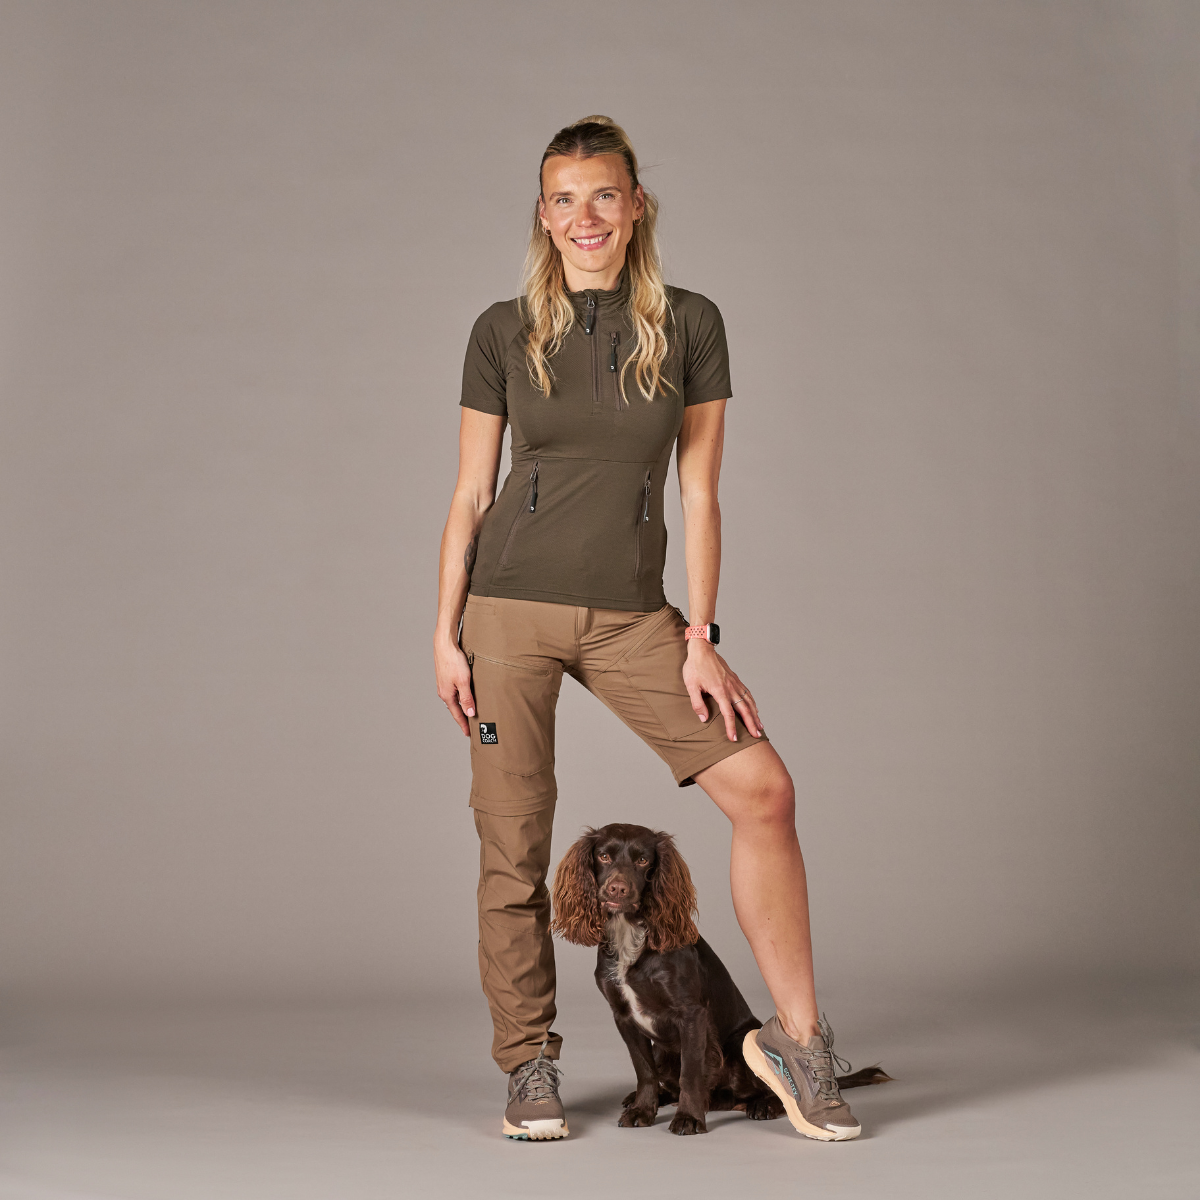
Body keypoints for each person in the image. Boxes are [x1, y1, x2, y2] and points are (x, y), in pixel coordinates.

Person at [433, 116, 860, 1143]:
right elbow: (470, 493)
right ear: (544, 216)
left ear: (634, 208)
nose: (584, 216)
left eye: (603, 195)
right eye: (563, 198)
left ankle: (799, 1045)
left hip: (633, 618)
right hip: (507, 610)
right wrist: (443, 633)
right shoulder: (502, 331)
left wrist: (700, 634)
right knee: (514, 847)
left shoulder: (691, 324)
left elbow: (700, 493)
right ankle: (529, 1064)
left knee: (763, 790)